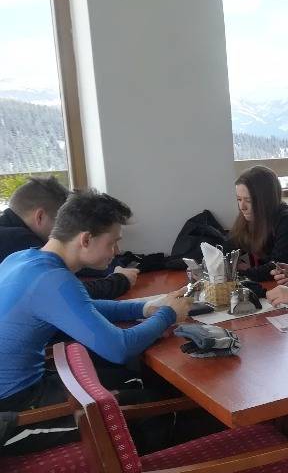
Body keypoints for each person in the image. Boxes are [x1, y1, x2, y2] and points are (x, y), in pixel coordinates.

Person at [0, 190, 191, 455]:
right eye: (112, 242)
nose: (117, 251)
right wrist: (167, 314)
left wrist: (145, 308)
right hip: (13, 412)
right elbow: (119, 348)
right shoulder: (53, 280)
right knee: (148, 403)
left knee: (134, 381)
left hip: (27, 388)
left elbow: (79, 307)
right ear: (86, 239)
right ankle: (151, 471)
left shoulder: (23, 259)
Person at [0, 177, 138, 299]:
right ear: (40, 216)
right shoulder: (17, 239)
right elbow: (65, 293)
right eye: (61, 221)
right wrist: (120, 280)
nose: (69, 228)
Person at [228, 165, 288, 282]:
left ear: (266, 200)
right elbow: (228, 247)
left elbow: (277, 267)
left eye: (249, 200)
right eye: (239, 199)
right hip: (279, 284)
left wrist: (241, 272)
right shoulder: (249, 217)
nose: (242, 207)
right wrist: (232, 264)